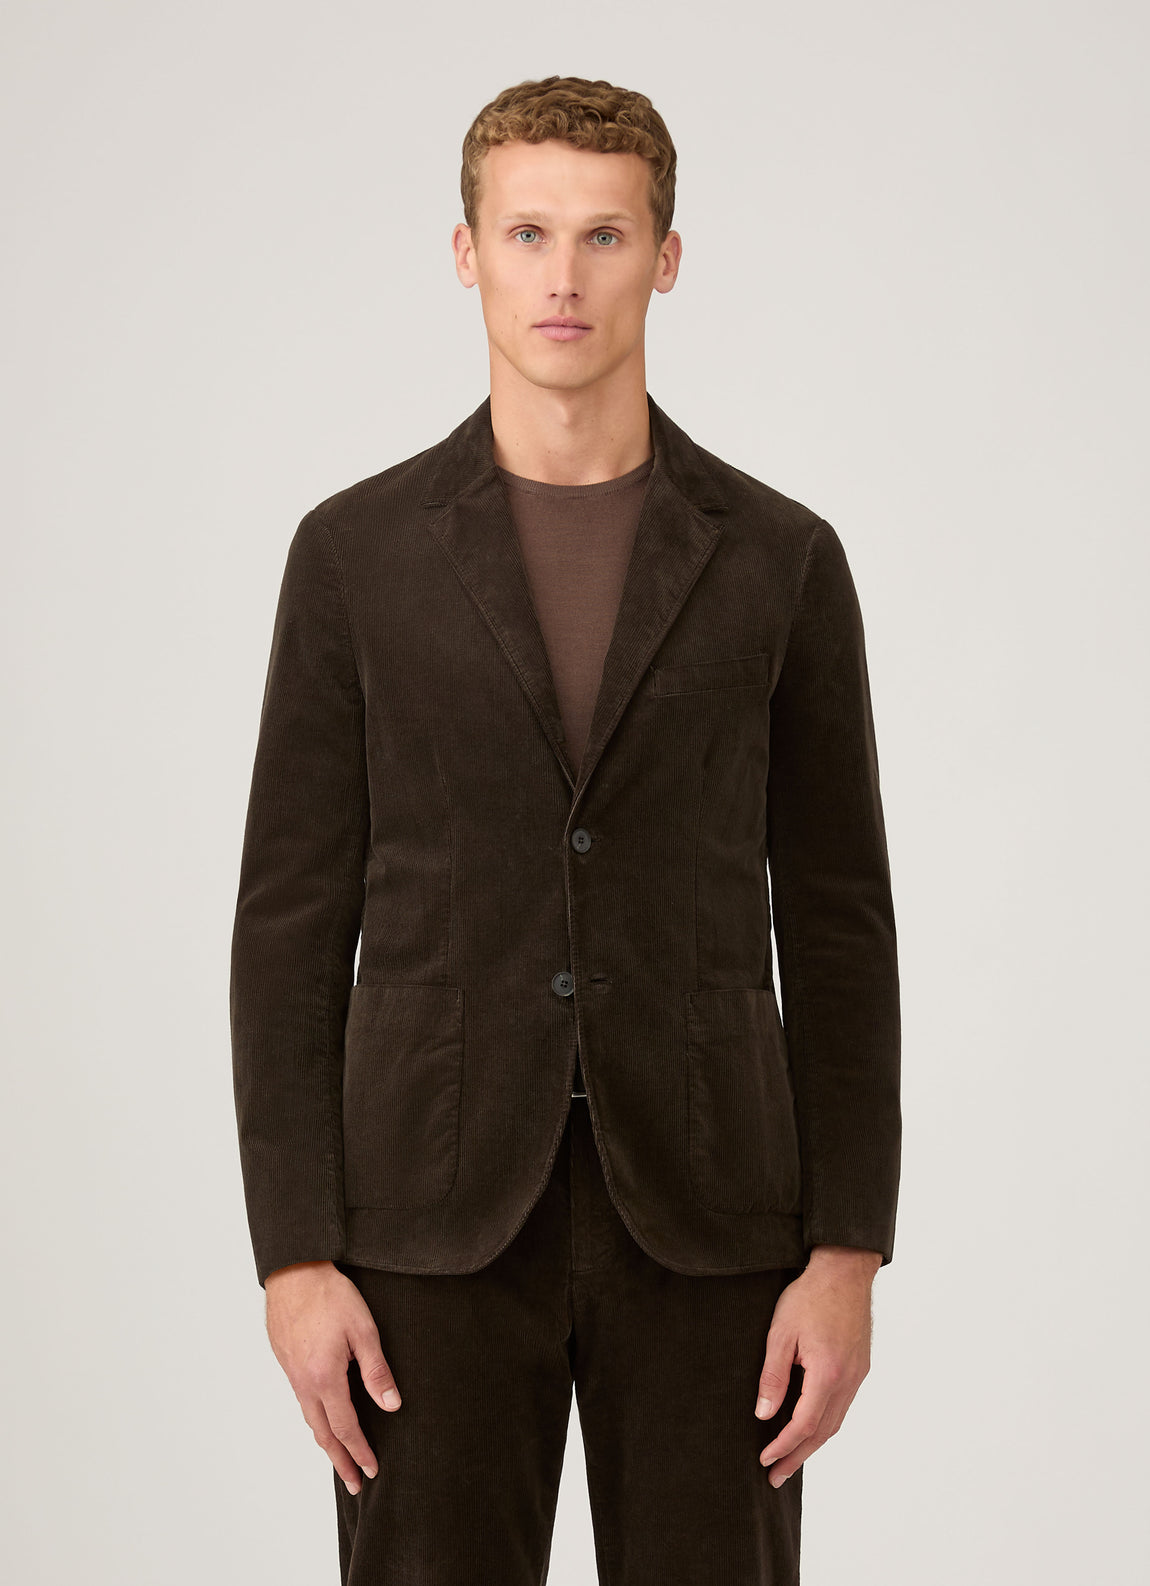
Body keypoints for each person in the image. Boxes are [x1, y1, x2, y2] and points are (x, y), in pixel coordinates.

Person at [230, 73, 901, 1586]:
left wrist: (847, 1250)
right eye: (527, 232)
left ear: (666, 258)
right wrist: (294, 1255)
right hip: (425, 1219)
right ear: (465, 251)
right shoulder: (354, 557)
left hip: (718, 1221)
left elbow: (839, 922)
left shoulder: (781, 560)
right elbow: (288, 923)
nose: (563, 276)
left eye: (605, 235)